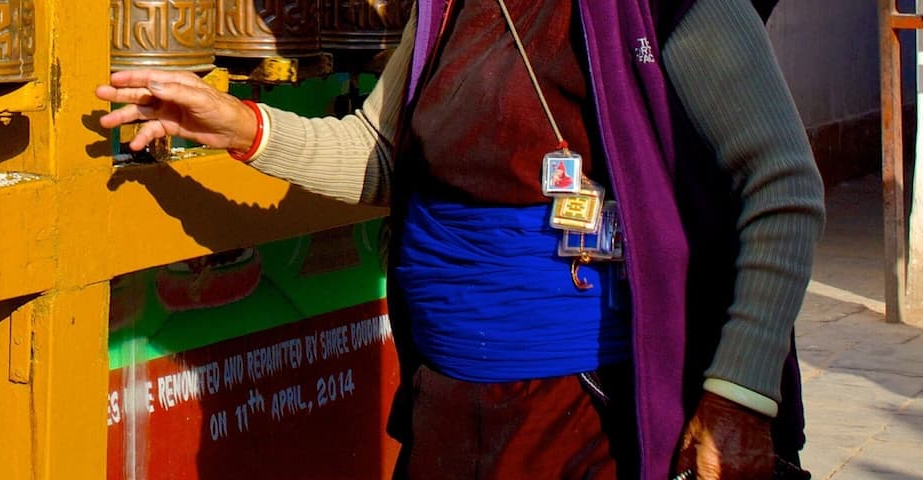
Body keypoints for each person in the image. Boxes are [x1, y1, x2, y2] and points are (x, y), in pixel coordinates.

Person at [97, 0, 824, 479]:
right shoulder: (447, 8)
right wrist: (239, 126)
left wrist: (738, 396)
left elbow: (783, 186)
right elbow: (381, 155)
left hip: (589, 413)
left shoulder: (669, 7)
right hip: (450, 407)